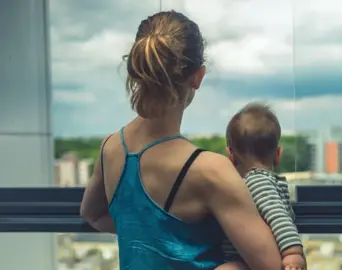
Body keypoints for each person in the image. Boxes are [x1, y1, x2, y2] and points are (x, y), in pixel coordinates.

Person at [80, 10, 282, 270]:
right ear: (197, 77)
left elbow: (93, 214)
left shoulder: (110, 148)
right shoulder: (208, 170)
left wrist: (150, 236)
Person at [216, 103, 307, 270]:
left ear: (231, 156)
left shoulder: (257, 182)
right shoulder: (266, 182)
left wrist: (292, 253)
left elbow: (278, 217)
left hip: (245, 261)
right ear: (278, 155)